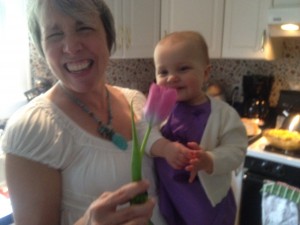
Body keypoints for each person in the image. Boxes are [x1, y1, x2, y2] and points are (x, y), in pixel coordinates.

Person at [0, 0, 187, 224]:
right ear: (42, 47)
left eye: (84, 27)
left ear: (108, 36)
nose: (71, 46)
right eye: (54, 34)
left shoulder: (135, 101)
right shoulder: (32, 128)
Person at [150, 31, 248, 225]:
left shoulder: (224, 114)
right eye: (163, 72)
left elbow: (237, 151)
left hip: (207, 206)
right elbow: (144, 137)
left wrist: (210, 160)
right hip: (171, 201)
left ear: (205, 73)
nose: (171, 78)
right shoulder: (158, 111)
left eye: (183, 69)